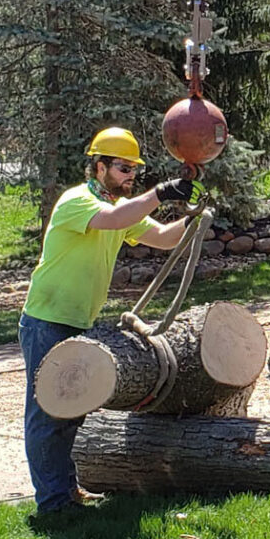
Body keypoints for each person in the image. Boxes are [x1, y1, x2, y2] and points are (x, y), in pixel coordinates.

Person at [19, 127, 204, 515]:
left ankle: (66, 491)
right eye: (122, 169)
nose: (130, 176)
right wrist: (160, 193)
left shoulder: (120, 209)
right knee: (47, 414)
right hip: (46, 321)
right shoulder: (77, 201)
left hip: (76, 322)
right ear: (99, 166)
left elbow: (164, 238)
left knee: (69, 411)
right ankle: (52, 505)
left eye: (134, 170)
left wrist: (194, 218)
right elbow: (117, 215)